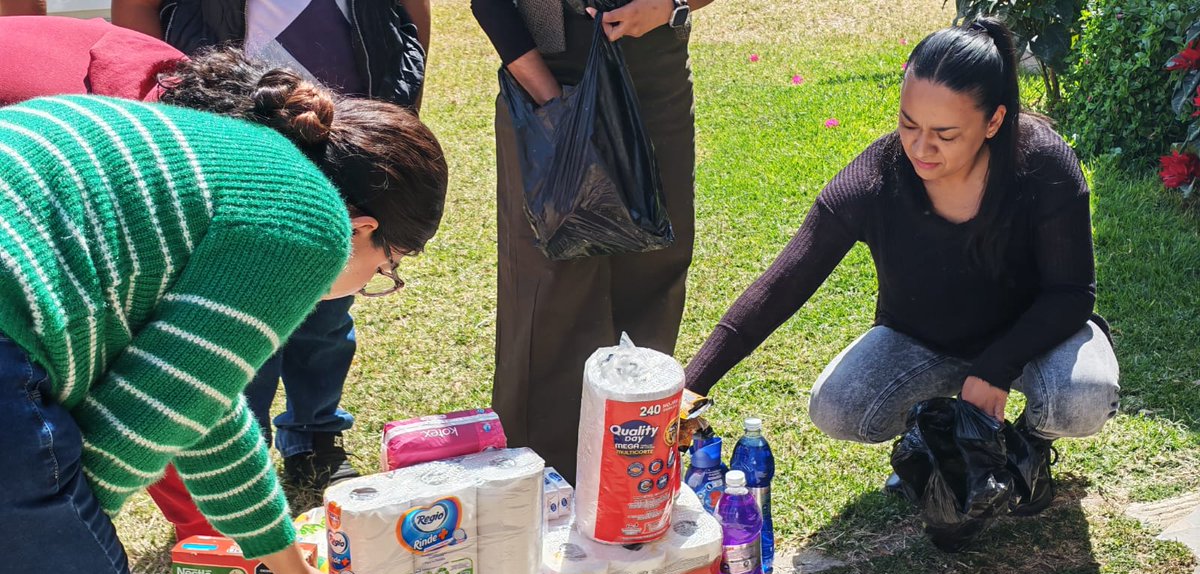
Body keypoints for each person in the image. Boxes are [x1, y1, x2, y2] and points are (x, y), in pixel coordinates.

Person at [0, 59, 447, 574]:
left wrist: (289, 570)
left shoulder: (227, 159)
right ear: (364, 229)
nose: (371, 281)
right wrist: (64, 555)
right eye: (387, 266)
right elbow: (143, 419)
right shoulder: (309, 221)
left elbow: (202, 406)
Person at [684, 18, 1120, 510]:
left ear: (994, 122)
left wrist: (996, 367)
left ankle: (1027, 447)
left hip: (1036, 339)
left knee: (1080, 401)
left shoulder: (1043, 164)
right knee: (840, 408)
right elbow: (783, 284)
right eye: (908, 123)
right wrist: (691, 386)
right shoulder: (875, 179)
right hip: (925, 340)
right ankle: (938, 441)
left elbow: (1072, 292)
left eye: (945, 134)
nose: (920, 147)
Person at [113, 0, 430, 493]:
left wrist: (396, 103)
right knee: (240, 315)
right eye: (388, 268)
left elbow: (409, 14)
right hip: (234, 115)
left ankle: (314, 434)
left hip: (345, 131)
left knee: (326, 319)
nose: (381, 277)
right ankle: (243, 446)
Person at [473, 0, 715, 483]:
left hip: (653, 73)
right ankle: (544, 478)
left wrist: (671, 4)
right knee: (553, 286)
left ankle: (635, 461)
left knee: (653, 269)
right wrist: (552, 104)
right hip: (548, 75)